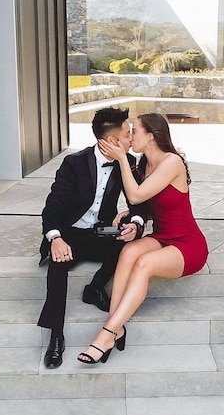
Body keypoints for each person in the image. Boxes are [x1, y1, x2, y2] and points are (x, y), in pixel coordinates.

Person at [77, 113, 208, 364]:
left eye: (134, 131)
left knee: (144, 264)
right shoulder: (142, 166)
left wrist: (121, 162)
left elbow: (136, 196)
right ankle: (117, 326)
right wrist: (132, 214)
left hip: (188, 244)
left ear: (150, 137)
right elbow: (144, 203)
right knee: (128, 252)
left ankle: (106, 335)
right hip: (162, 235)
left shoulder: (172, 162)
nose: (129, 136)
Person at [38, 107, 146, 369]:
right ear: (111, 141)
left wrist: (135, 222)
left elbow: (141, 202)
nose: (132, 138)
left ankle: (95, 288)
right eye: (127, 133)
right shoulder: (74, 163)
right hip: (70, 234)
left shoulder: (128, 163)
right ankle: (56, 335)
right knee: (57, 263)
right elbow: (53, 205)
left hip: (100, 232)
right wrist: (55, 237)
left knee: (129, 245)